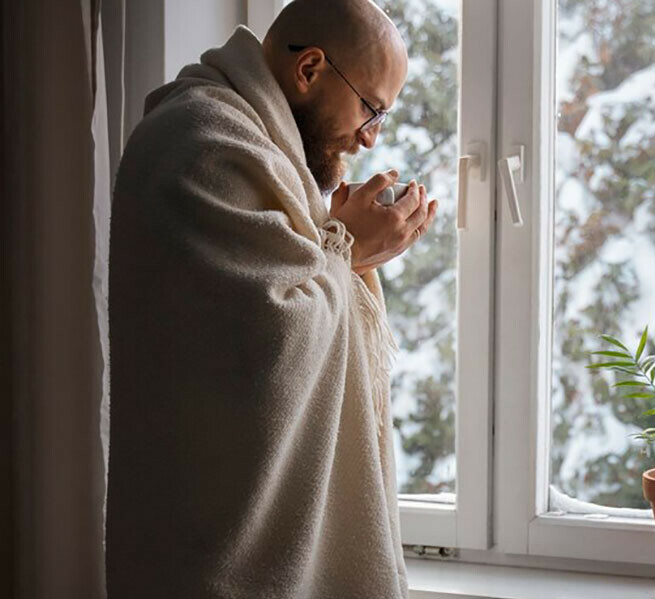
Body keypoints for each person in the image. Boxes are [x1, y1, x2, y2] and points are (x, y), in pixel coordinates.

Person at [106, 1, 435, 597]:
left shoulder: (257, 147)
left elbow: (286, 285)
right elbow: (266, 344)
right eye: (372, 109)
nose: (369, 140)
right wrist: (348, 247)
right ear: (309, 68)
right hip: (207, 560)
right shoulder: (202, 143)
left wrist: (336, 241)